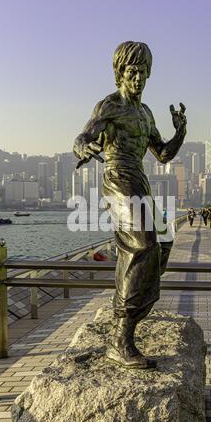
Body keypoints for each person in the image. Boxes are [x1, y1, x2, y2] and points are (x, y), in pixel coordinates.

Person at [73, 41, 187, 369]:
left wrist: (180, 133)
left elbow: (162, 154)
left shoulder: (146, 113)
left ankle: (135, 307)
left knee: (163, 242)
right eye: (131, 72)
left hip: (139, 180)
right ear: (120, 74)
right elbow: (83, 137)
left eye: (143, 73)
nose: (137, 78)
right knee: (143, 244)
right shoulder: (109, 106)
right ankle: (120, 337)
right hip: (117, 180)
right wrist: (82, 147)